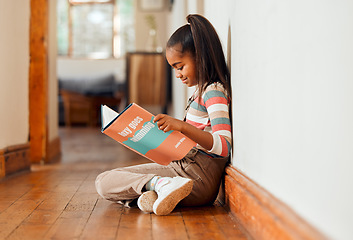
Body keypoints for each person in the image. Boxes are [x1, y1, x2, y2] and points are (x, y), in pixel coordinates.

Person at [95, 14, 232, 216]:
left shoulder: (213, 92)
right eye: (174, 69)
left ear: (200, 56)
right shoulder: (199, 93)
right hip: (183, 168)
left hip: (196, 179)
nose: (178, 74)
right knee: (106, 181)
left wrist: (182, 126)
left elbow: (224, 146)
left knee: (105, 182)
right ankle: (158, 190)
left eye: (180, 66)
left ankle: (160, 185)